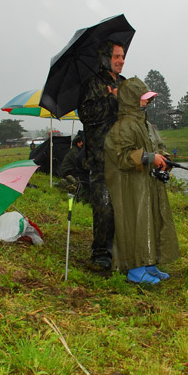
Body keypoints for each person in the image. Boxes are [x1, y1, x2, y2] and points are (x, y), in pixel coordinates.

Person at [104, 77, 179, 285]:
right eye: (142, 98)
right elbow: (121, 156)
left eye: (147, 98)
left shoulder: (145, 124)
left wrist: (164, 159)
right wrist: (148, 158)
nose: (146, 101)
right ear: (130, 99)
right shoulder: (122, 126)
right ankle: (135, 270)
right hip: (129, 188)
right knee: (133, 223)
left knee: (152, 221)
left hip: (148, 184)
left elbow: (158, 146)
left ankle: (149, 264)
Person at [78, 40, 126, 269]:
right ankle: (100, 252)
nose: (121, 61)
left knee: (123, 205)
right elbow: (86, 115)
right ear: (106, 58)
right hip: (100, 156)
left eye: (123, 56)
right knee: (104, 206)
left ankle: (121, 248)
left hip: (124, 155)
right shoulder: (93, 84)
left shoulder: (126, 83)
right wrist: (111, 99)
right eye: (117, 56)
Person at [58, 133, 89, 199]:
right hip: (67, 171)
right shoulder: (75, 152)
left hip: (69, 170)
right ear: (78, 143)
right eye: (81, 142)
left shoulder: (75, 150)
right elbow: (78, 164)